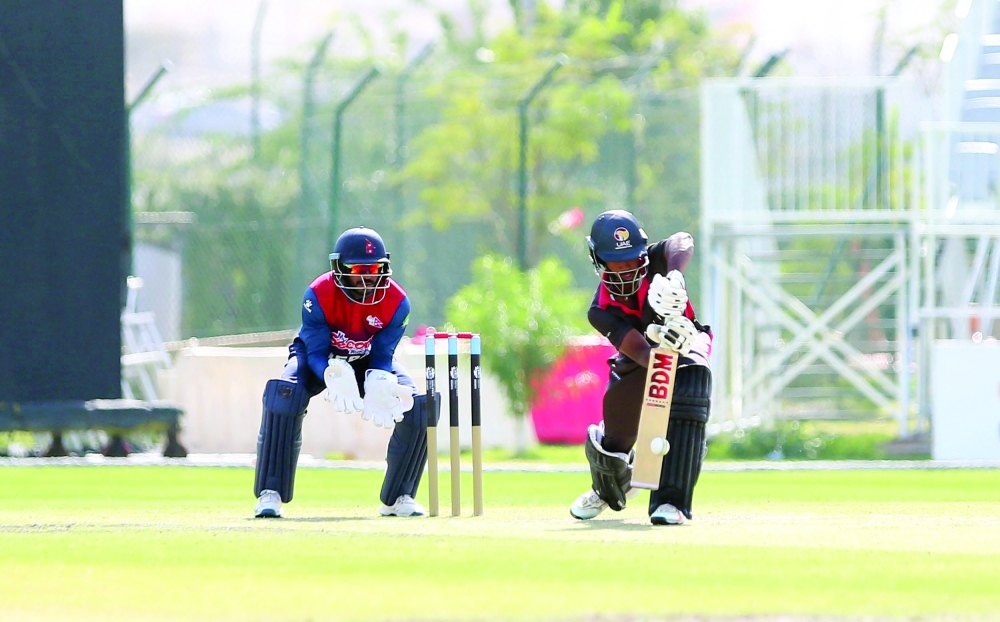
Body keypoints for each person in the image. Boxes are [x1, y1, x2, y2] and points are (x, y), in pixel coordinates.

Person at [253, 226, 433, 519]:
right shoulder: (319, 293)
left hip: (366, 359)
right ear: (339, 268)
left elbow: (383, 354)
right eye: (359, 269)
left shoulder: (397, 302)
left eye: (375, 269)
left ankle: (399, 497)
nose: (367, 278)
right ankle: (270, 493)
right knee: (284, 394)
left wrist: (378, 377)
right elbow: (314, 351)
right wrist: (330, 374)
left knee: (418, 406)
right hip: (319, 358)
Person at [569, 209, 713, 525]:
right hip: (641, 354)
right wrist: (660, 343)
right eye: (616, 262)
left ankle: (670, 502)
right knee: (615, 434)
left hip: (689, 341)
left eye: (633, 260)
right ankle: (609, 488)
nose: (626, 269)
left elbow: (683, 240)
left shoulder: (657, 261)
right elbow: (641, 353)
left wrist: (675, 275)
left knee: (691, 382)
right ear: (599, 261)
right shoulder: (601, 310)